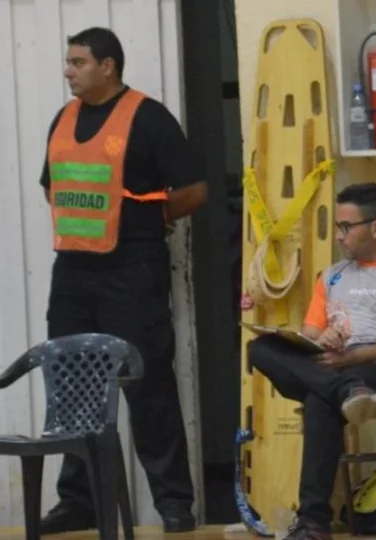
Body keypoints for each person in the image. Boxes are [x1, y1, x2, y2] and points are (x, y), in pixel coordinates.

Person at [38, 27, 207, 533]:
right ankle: (79, 501)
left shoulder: (148, 118)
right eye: (68, 62)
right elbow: (53, 187)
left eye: (78, 62)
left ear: (107, 66)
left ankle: (174, 503)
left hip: (132, 271)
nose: (68, 71)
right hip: (72, 274)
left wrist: (148, 220)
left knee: (148, 384)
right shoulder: (63, 119)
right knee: (73, 388)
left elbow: (194, 190)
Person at [247, 183, 376, 540]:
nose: (339, 235)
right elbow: (310, 333)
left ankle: (313, 523)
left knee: (319, 399)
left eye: (345, 226)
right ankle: (345, 390)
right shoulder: (332, 275)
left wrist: (354, 356)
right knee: (260, 348)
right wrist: (323, 338)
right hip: (337, 370)